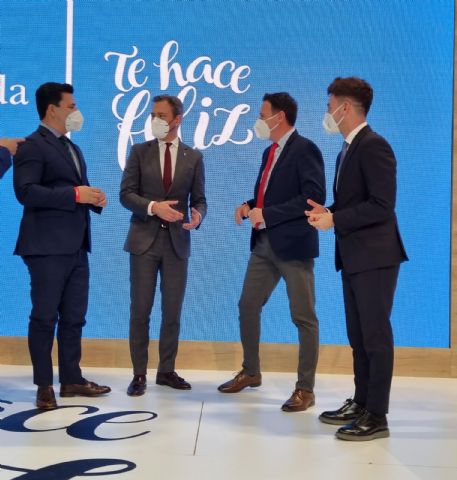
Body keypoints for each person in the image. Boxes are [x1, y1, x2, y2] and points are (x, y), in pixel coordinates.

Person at [307, 77, 408, 440]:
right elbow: (355, 202)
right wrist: (329, 212)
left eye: (329, 105)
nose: (327, 113)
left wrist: (336, 219)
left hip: (376, 257)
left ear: (345, 107)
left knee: (376, 337)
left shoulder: (374, 145)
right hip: (353, 256)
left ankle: (377, 415)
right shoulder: (347, 148)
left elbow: (382, 205)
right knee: (359, 335)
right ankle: (362, 402)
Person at [218, 92, 326, 412]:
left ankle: (305, 389)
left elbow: (312, 197)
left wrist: (267, 213)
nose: (258, 120)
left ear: (280, 117)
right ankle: (251, 371)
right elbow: (269, 195)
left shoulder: (306, 149)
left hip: (294, 246)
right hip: (264, 244)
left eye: (262, 114)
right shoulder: (270, 152)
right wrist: (250, 205)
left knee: (303, 316)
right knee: (247, 305)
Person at [13, 82, 111, 410]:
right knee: (44, 317)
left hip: (76, 245)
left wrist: (93, 198)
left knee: (74, 317)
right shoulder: (32, 145)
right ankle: (44, 386)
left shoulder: (72, 147)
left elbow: (76, 190)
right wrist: (74, 194)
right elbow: (26, 192)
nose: (76, 111)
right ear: (52, 109)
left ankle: (71, 379)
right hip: (46, 247)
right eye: (71, 106)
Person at [120, 94, 207, 395]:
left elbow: (200, 199)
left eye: (161, 115)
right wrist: (153, 207)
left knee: (172, 312)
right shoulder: (138, 151)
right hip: (143, 242)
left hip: (176, 244)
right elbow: (126, 194)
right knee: (140, 311)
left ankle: (166, 371)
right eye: (152, 115)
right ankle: (139, 374)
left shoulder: (193, 157)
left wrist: (199, 214)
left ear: (177, 119)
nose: (155, 120)